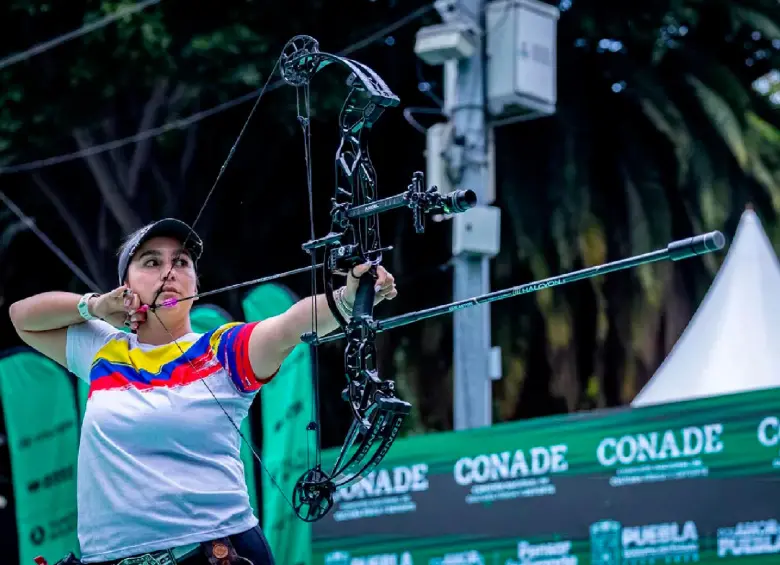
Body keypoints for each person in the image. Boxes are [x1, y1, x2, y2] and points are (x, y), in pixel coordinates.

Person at [8, 218, 398, 565]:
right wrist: (93, 306)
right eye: (151, 262)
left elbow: (287, 326)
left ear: (196, 284)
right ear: (125, 287)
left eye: (181, 263)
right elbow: (22, 318)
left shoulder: (222, 350)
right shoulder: (102, 350)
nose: (168, 273)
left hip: (213, 552)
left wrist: (348, 298)